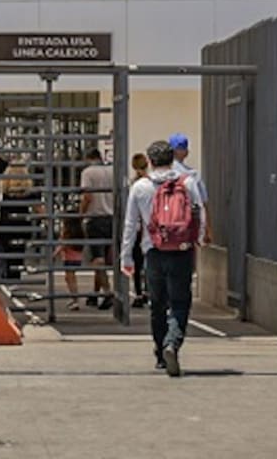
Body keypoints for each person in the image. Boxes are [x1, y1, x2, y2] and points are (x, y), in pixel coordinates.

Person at [121, 140, 205, 377]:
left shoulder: (140, 187)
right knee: (180, 302)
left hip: (153, 252)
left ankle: (160, 352)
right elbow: (200, 213)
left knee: (157, 304)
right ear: (172, 159)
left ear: (150, 161)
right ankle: (172, 343)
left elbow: (130, 224)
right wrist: (198, 239)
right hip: (181, 250)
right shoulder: (188, 182)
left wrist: (126, 256)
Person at [79, 148, 115, 309]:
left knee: (97, 259)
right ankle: (95, 293)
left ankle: (107, 293)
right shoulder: (112, 171)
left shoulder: (88, 173)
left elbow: (87, 196)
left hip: (95, 218)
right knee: (101, 258)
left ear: (89, 158)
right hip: (111, 218)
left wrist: (80, 215)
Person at [169, 132, 215, 244]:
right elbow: (203, 203)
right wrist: (208, 230)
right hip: (187, 229)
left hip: (164, 229)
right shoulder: (192, 175)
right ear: (186, 152)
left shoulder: (160, 174)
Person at [127, 152, 150, 308]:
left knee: (137, 262)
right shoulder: (152, 182)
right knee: (149, 261)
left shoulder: (134, 185)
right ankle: (148, 291)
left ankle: (139, 293)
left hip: (137, 228)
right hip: (149, 227)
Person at [55, 215, 86, 310]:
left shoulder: (67, 233)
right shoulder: (79, 233)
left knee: (71, 279)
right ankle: (74, 299)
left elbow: (62, 245)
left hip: (69, 259)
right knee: (69, 278)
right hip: (77, 259)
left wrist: (54, 254)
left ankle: (75, 300)